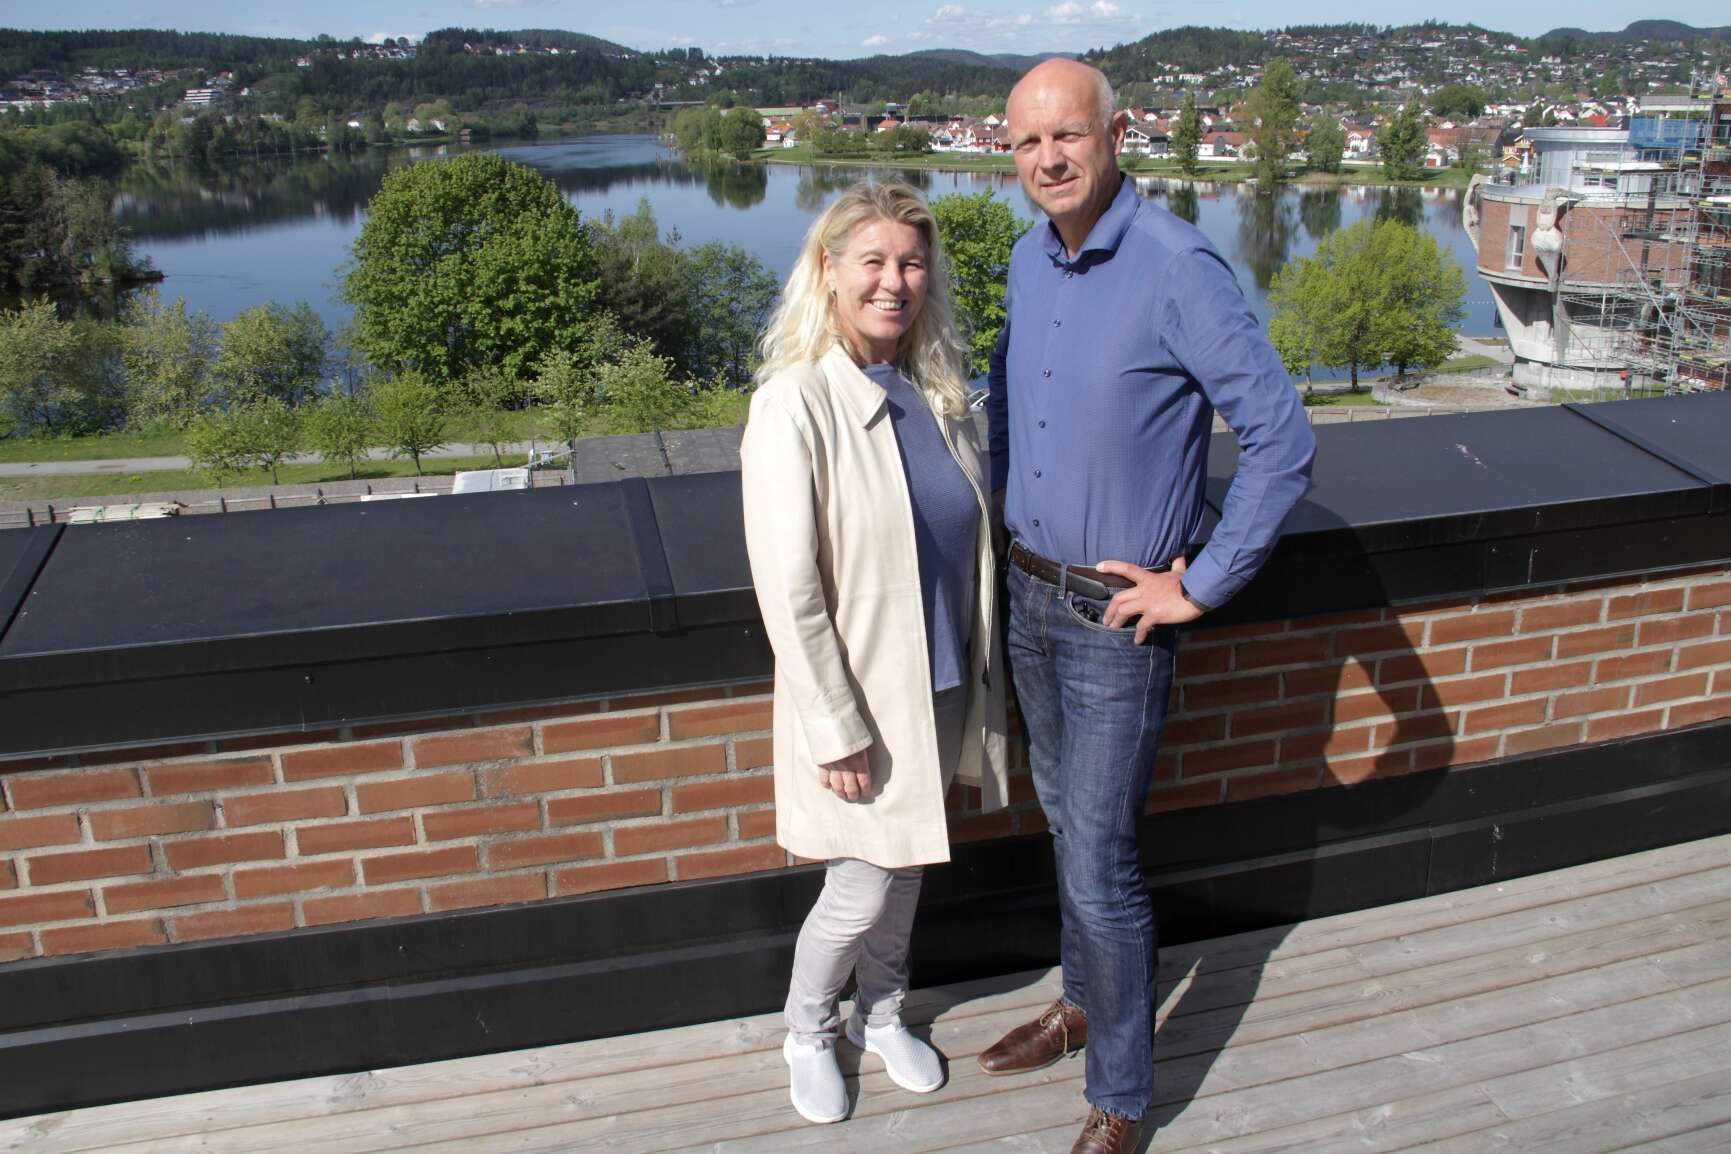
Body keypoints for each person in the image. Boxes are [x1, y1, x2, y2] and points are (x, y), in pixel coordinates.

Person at [979, 59, 1317, 1154]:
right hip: (1029, 595)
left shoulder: (1177, 267)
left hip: (1114, 623)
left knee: (1101, 859)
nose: (1048, 160)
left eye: (1068, 135)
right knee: (1064, 823)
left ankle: (1122, 1096)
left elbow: (1281, 442)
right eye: (1028, 143)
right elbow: (1007, 405)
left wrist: (1200, 584)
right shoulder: (1028, 258)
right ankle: (1082, 1001)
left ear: (1116, 133)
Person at [740, 180, 1010, 1126]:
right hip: (862, 702)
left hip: (941, 682)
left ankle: (883, 1012)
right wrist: (834, 726)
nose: (893, 281)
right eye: (872, 261)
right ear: (828, 271)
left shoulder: (936, 394)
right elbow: (789, 587)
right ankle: (808, 1030)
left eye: (910, 262)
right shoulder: (794, 403)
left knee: (906, 868)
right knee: (858, 886)